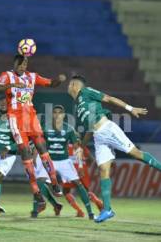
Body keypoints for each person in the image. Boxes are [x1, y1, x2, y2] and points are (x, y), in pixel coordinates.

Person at [67, 75, 161, 223]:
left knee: (135, 154)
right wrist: (81, 147)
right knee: (103, 170)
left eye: (69, 85)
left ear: (74, 85)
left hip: (107, 129)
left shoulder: (85, 92)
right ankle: (107, 210)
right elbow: (90, 130)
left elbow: (109, 99)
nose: (67, 88)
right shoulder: (78, 107)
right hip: (98, 137)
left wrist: (130, 108)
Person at [0, 54, 66, 210]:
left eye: (25, 63)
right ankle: (37, 193)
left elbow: (51, 83)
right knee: (26, 154)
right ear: (14, 64)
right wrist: (10, 86)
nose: (22, 66)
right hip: (16, 120)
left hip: (31, 118)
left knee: (42, 148)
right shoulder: (7, 76)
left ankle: (54, 183)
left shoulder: (32, 77)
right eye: (19, 64)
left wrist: (59, 79)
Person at [34, 105, 94, 219]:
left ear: (64, 115)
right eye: (55, 112)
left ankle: (90, 212)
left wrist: (80, 166)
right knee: (39, 182)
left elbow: (77, 148)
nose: (57, 115)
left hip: (64, 161)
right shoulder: (45, 127)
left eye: (60, 113)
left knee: (78, 183)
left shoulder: (69, 129)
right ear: (52, 115)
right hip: (50, 161)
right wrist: (34, 157)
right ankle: (53, 203)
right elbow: (39, 143)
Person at [63, 144, 103, 217]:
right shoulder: (81, 146)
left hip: (70, 169)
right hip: (82, 170)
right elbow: (91, 159)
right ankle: (98, 202)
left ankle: (79, 211)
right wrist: (85, 165)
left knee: (66, 191)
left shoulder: (65, 145)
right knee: (85, 191)